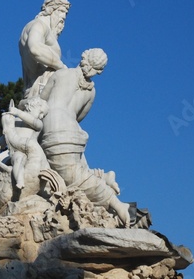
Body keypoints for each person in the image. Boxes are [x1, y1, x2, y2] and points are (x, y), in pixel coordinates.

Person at [39, 48, 131, 227]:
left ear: (83, 57)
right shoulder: (91, 92)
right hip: (73, 131)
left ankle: (117, 204)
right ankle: (104, 178)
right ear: (99, 71)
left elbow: (41, 102)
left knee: (74, 176)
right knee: (79, 169)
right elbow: (78, 117)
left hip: (55, 129)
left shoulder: (61, 74)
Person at [19, 0, 71, 98]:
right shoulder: (38, 25)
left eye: (65, 13)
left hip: (37, 90)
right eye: (61, 11)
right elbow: (35, 49)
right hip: (40, 90)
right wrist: (61, 66)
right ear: (50, 10)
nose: (63, 16)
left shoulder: (41, 28)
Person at [1, 97, 50, 189]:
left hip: (30, 152)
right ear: (31, 106)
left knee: (22, 159)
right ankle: (19, 181)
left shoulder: (38, 123)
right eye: (41, 113)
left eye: (43, 116)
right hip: (16, 151)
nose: (41, 117)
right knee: (18, 159)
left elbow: (33, 122)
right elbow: (6, 136)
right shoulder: (15, 121)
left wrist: (17, 112)